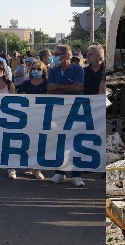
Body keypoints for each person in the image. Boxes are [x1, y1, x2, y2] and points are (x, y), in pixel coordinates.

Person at [47, 44, 85, 187]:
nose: (54, 57)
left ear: (66, 56)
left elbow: (78, 87)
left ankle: (76, 175)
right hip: (58, 110)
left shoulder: (77, 69)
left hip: (75, 111)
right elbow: (50, 90)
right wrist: (66, 90)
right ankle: (60, 172)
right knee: (59, 140)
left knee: (75, 142)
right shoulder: (53, 71)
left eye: (57, 54)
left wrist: (58, 87)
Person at [17, 59, 48, 180]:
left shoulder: (47, 84)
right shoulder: (26, 83)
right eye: (34, 69)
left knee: (39, 143)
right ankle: (30, 167)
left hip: (42, 117)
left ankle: (38, 169)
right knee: (29, 142)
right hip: (28, 117)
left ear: (43, 71)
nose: (36, 71)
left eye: (39, 69)